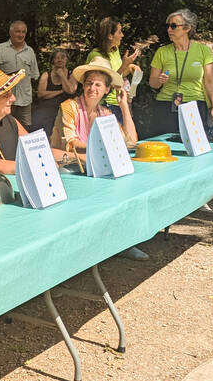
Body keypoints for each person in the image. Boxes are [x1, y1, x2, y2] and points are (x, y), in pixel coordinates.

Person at [49, 58, 146, 260]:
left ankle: (125, 242)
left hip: (94, 167)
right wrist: (105, 145)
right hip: (69, 167)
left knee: (125, 186)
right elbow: (71, 142)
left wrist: (124, 106)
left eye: (98, 84)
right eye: (88, 83)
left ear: (107, 90)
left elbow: (130, 141)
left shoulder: (106, 112)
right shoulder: (68, 107)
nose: (92, 88)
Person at [148, 9, 213, 136]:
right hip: (166, 105)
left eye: (174, 26)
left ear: (187, 28)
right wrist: (159, 80)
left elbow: (210, 81)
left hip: (195, 105)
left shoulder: (203, 51)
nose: (169, 29)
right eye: (168, 26)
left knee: (196, 147)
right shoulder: (162, 52)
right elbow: (153, 84)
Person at [86, 17, 141, 123]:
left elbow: (119, 74)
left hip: (120, 102)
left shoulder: (114, 51)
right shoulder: (96, 56)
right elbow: (106, 83)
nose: (122, 35)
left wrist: (130, 67)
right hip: (106, 105)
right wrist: (124, 65)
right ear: (110, 36)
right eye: (119, 32)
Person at [0, 20, 39, 128]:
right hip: (3, 100)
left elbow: (34, 75)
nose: (21, 35)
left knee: (25, 130)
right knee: (2, 127)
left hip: (24, 101)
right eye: (17, 31)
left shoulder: (30, 52)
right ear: (11, 33)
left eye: (23, 32)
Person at [32, 49, 77, 134]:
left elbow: (70, 90)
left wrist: (62, 76)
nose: (60, 60)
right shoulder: (46, 75)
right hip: (45, 109)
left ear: (67, 59)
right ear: (53, 60)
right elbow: (41, 94)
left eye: (63, 57)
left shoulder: (71, 75)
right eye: (57, 58)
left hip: (64, 110)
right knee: (36, 120)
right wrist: (60, 91)